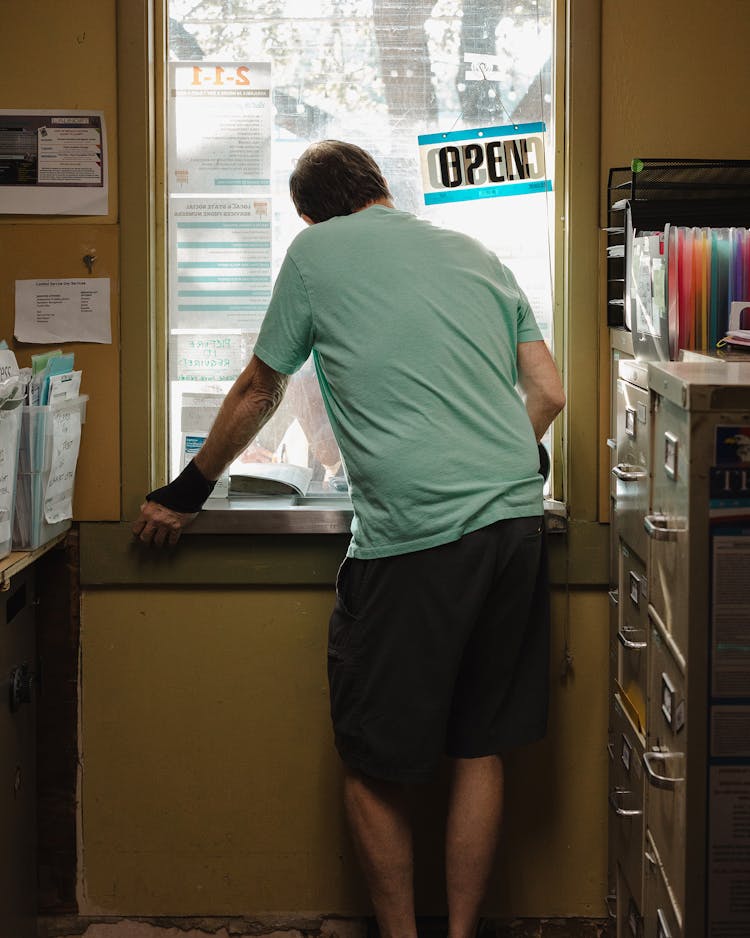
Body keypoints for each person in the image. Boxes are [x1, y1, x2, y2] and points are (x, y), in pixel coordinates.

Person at [133, 140, 565, 938]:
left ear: (309, 211)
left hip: (416, 538)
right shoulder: (472, 250)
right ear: (379, 189)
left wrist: (188, 491)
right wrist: (502, 461)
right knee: (479, 744)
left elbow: (262, 387)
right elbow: (549, 390)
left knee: (375, 761)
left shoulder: (315, 252)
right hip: (514, 523)